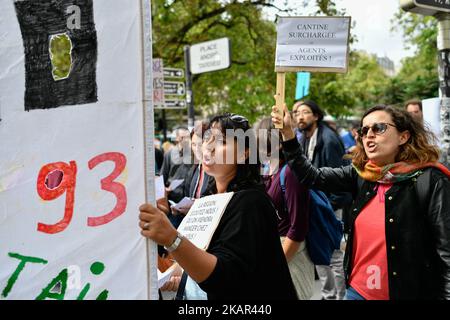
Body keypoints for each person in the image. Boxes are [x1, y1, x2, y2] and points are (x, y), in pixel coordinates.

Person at [272, 103, 450, 300]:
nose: (369, 135)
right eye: (364, 131)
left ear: (403, 136)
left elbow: (446, 252)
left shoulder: (430, 180)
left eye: (379, 128)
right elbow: (310, 176)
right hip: (357, 292)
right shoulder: (362, 174)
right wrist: (288, 133)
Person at [139, 113, 297, 300]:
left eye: (221, 141)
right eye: (208, 139)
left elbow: (223, 277)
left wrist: (172, 239)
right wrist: (176, 274)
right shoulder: (209, 197)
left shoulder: (251, 203)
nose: (209, 147)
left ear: (244, 153)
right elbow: (198, 252)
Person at [291, 99, 350, 300]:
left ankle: (339, 296)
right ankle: (328, 295)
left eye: (305, 112)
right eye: (297, 112)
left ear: (316, 116)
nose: (300, 116)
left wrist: (329, 206)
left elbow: (339, 180)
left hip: (328, 206)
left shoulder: (328, 140)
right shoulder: (303, 138)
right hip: (315, 206)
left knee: (333, 255)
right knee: (319, 253)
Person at [257, 117, 314, 300]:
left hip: (290, 254)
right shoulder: (267, 171)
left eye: (262, 143)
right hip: (272, 251)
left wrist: (276, 266)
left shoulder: (290, 172)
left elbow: (298, 228)